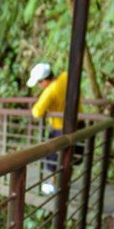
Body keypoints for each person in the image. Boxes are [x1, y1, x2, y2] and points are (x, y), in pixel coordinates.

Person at [27, 62, 67, 194]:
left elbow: (37, 112)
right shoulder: (65, 77)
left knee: (52, 159)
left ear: (44, 81)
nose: (39, 86)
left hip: (60, 128)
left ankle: (56, 185)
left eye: (39, 83)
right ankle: (61, 183)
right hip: (78, 124)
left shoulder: (50, 91)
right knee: (66, 157)